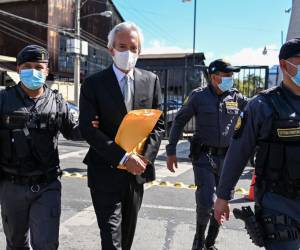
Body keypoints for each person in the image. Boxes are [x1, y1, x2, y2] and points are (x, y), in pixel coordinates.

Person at [0, 45, 97, 250]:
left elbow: (74, 131)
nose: (33, 71)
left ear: (46, 70)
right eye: (27, 66)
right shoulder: (3, 99)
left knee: (46, 244)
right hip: (11, 185)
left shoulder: (57, 102)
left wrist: (92, 123)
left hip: (47, 186)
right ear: (18, 69)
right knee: (15, 244)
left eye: (38, 66)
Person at [79, 21, 164, 250]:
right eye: (122, 46)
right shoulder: (93, 84)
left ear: (140, 51)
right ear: (111, 49)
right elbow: (88, 128)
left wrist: (144, 158)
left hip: (136, 174)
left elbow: (159, 123)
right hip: (104, 171)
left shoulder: (151, 80)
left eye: (133, 48)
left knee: (126, 239)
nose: (128, 52)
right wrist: (123, 157)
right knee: (111, 240)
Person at [214, 38, 300, 250]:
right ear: (284, 65)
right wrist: (223, 196)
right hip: (279, 205)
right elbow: (238, 152)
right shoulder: (262, 106)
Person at [166, 59, 248, 250]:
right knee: (205, 200)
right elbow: (179, 122)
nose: (230, 79)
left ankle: (210, 243)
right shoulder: (198, 96)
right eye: (226, 75)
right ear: (214, 77)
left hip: (228, 159)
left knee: (222, 200)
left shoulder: (236, 98)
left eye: (231, 76)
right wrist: (171, 151)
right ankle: (199, 238)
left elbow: (255, 112)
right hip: (204, 156)